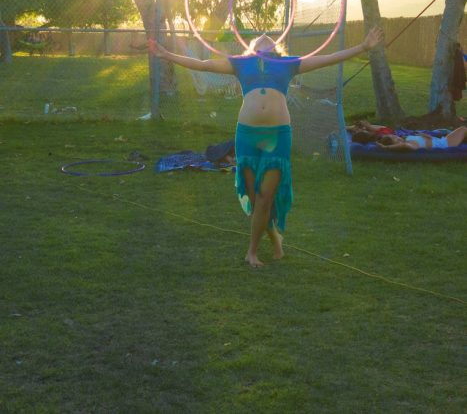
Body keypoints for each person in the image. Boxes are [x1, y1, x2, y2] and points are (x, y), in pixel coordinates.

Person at [149, 26, 383, 268]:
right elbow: (204, 64)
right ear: (251, 48)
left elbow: (326, 59)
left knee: (264, 196)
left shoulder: (287, 64)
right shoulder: (241, 63)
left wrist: (363, 47)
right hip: (247, 135)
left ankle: (252, 252)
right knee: (254, 197)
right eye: (258, 40)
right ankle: (276, 242)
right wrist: (167, 55)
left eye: (269, 39)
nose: (263, 38)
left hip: (278, 135)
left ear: (276, 47)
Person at [377, 126, 467, 151]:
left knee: (463, 131)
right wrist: (386, 148)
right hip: (445, 144)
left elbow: (429, 140)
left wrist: (424, 136)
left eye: (394, 136)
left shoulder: (407, 138)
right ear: (395, 144)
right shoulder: (410, 144)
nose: (396, 137)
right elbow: (405, 145)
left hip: (442, 140)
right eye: (394, 139)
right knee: (463, 129)